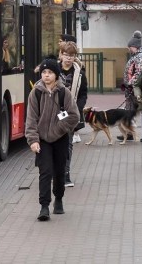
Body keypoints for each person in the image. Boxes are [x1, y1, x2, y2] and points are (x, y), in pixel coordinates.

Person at [25, 58, 80, 221]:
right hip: (42, 139)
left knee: (59, 170)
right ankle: (44, 206)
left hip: (60, 138)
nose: (46, 75)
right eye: (44, 72)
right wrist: (33, 140)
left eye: (50, 72)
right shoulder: (35, 92)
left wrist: (59, 129)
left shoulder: (64, 92)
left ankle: (59, 199)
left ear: (56, 75)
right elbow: (31, 119)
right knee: (45, 171)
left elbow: (74, 116)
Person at [57, 41, 88, 186]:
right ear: (61, 55)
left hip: (70, 114)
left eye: (71, 55)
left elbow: (83, 94)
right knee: (52, 144)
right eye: (66, 55)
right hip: (53, 112)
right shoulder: (52, 71)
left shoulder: (80, 74)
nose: (68, 58)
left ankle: (65, 174)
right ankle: (53, 172)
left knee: (67, 144)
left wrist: (76, 109)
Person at [119, 30, 142, 142]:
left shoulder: (140, 56)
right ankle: (129, 132)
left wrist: (130, 84)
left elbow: (139, 72)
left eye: (130, 47)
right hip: (132, 89)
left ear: (135, 46)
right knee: (129, 111)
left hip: (136, 90)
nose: (128, 49)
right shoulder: (137, 55)